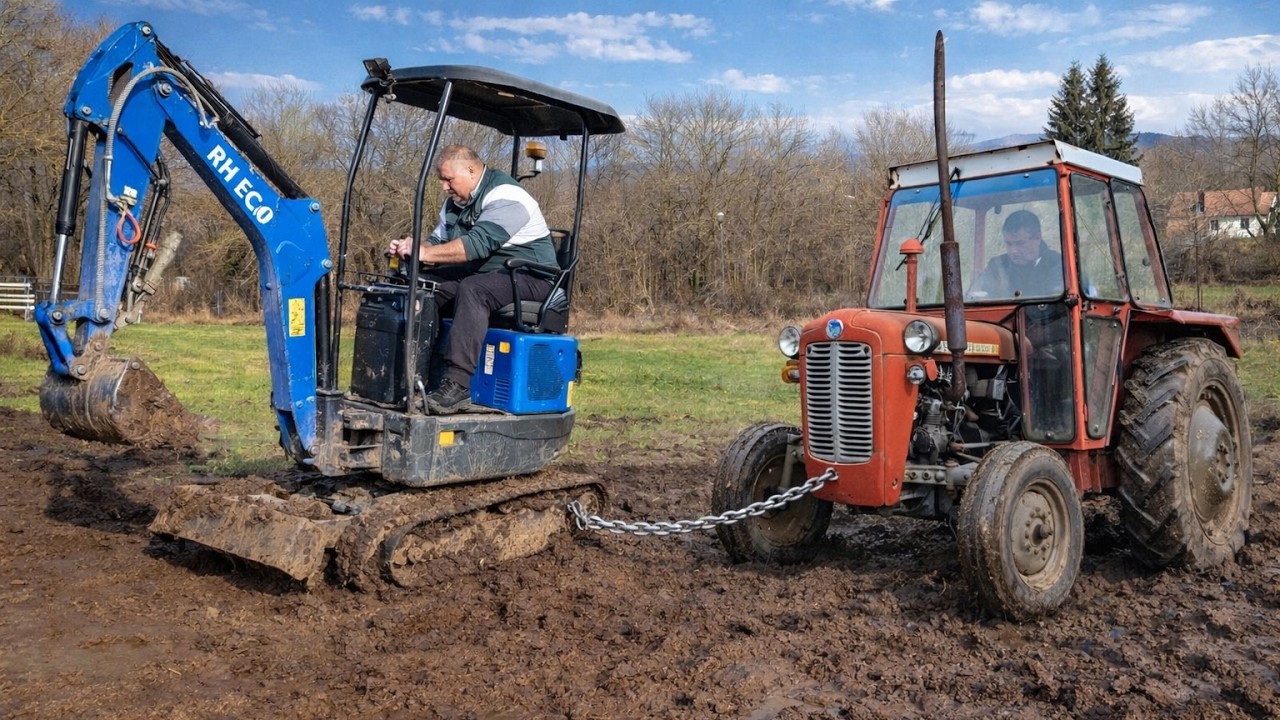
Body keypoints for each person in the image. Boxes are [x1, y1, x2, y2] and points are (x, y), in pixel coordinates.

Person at [387, 144, 557, 414]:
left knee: (474, 289)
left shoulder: (508, 195)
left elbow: (476, 246)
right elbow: (436, 242)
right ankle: (409, 377)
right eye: (442, 180)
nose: (444, 187)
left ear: (470, 170)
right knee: (426, 287)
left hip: (532, 277)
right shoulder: (456, 202)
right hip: (492, 273)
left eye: (447, 179)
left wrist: (425, 251)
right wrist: (411, 248)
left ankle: (457, 385)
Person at [967, 209, 1063, 300]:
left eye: (1020, 243)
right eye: (1009, 244)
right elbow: (980, 295)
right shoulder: (997, 266)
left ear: (1037, 238)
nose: (1013, 251)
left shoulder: (1057, 264)